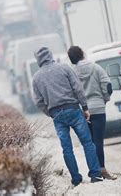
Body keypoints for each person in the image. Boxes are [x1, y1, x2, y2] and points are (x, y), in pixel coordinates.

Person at [32, 47, 103, 186]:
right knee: (87, 142)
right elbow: (78, 88)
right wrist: (85, 107)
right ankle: (95, 174)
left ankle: (76, 178)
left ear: (38, 60)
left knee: (67, 148)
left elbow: (38, 102)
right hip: (73, 110)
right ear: (50, 55)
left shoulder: (36, 78)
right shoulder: (64, 68)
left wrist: (50, 113)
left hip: (57, 114)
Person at [67, 46, 118, 180]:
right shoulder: (96, 68)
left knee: (89, 142)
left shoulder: (72, 72)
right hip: (98, 108)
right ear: (82, 53)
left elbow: (72, 92)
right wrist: (104, 100)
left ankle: (95, 171)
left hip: (83, 111)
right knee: (99, 141)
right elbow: (107, 85)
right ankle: (102, 169)